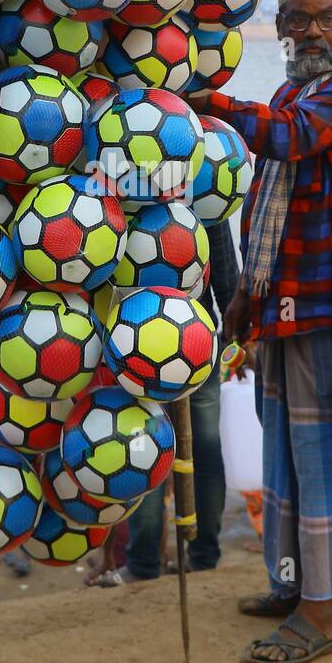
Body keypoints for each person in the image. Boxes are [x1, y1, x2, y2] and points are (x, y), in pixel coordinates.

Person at [189, 0, 332, 663]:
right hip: (284, 304)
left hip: (328, 306)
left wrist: (203, 101)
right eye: (299, 19)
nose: (313, 29)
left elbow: (289, 138)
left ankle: (319, 612)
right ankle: (306, 586)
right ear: (281, 30)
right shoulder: (295, 89)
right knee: (283, 452)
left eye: (326, 17)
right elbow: (269, 197)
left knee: (315, 459)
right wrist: (248, 294)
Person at [119, 220, 241, 582]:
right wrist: (237, 334)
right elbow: (223, 261)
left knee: (143, 445)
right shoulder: (198, 172)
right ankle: (204, 556)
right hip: (196, 334)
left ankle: (143, 565)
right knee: (204, 446)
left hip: (134, 335)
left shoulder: (118, 179)